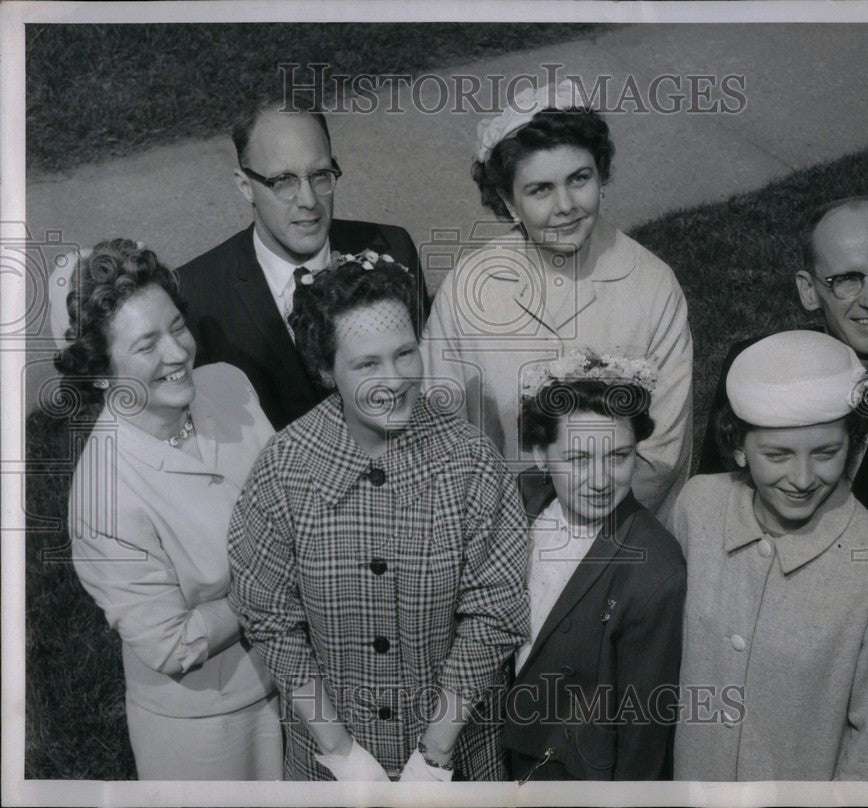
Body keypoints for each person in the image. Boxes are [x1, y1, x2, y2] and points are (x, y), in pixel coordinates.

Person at [697, 198, 868, 767]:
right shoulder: (755, 371)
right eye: (846, 279)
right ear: (809, 290)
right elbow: (714, 527)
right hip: (755, 670)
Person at [227, 251, 530, 781]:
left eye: (405, 354)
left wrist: (434, 755)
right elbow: (271, 621)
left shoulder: (473, 461)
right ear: (325, 370)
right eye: (367, 364)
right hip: (330, 763)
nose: (395, 380)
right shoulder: (283, 470)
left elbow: (495, 615)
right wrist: (341, 752)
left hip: (456, 757)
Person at [56, 239, 282, 780]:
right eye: (147, 344)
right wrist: (276, 582)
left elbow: (290, 498)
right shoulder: (102, 496)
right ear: (102, 371)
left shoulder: (229, 384)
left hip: (297, 682)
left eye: (178, 327)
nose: (178, 354)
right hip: (204, 729)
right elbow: (173, 643)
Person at [422, 79, 693, 524]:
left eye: (578, 179)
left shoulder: (653, 286)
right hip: (496, 535)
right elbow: (438, 429)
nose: (565, 205)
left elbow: (660, 454)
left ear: (601, 176)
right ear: (510, 202)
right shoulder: (468, 288)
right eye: (540, 189)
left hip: (614, 545)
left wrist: (575, 544)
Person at [672, 330, 868, 780]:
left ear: (853, 442)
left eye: (827, 452)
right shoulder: (698, 509)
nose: (804, 478)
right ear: (737, 446)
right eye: (778, 454)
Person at [177, 100, 430, 431]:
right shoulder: (197, 295)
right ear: (244, 186)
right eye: (284, 181)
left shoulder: (392, 247)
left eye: (320, 175)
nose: (309, 200)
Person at [505, 350, 686, 781]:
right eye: (579, 459)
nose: (601, 480)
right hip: (498, 744)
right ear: (541, 456)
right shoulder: (520, 499)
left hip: (574, 772)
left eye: (618, 456)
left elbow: (644, 724)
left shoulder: (654, 569)